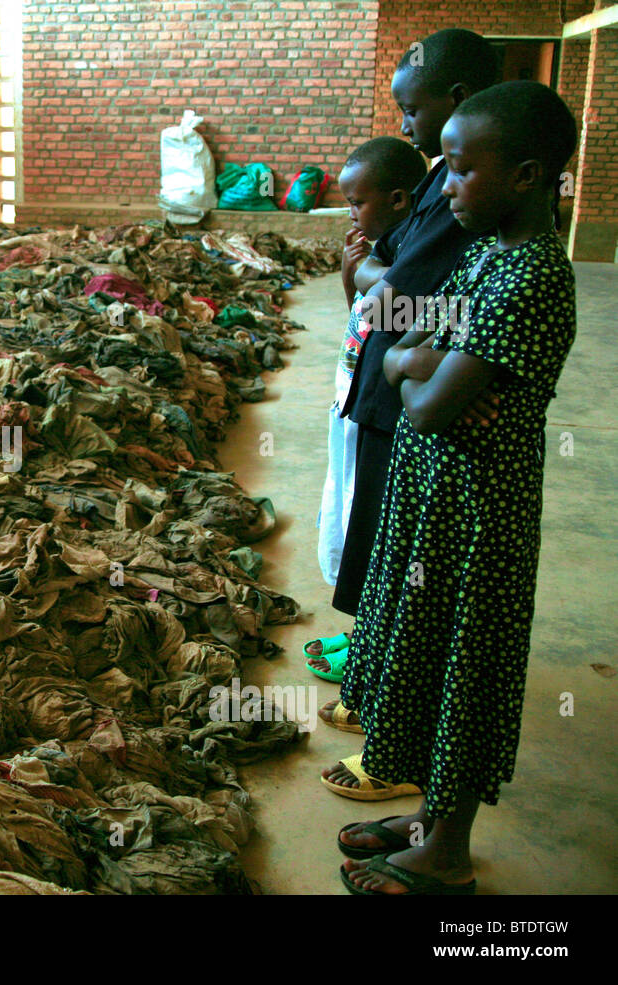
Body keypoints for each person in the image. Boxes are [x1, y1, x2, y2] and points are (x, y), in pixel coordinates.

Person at [335, 80, 578, 893]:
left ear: (529, 175)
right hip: (435, 502)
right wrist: (416, 355)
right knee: (423, 657)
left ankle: (448, 854)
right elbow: (421, 333)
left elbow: (433, 397)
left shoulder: (536, 275)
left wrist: (407, 362)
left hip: (478, 518)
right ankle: (426, 819)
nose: (449, 187)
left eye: (465, 171)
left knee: (465, 671)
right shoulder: (485, 251)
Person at [313, 28, 498, 775]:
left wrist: (367, 286)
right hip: (395, 397)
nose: (405, 125)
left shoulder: (463, 203)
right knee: (377, 549)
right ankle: (371, 681)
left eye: (410, 108)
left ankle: (392, 722)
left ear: (455, 101)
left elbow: (400, 304)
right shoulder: (438, 181)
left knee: (407, 572)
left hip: (417, 409)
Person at [313, 137, 428, 621]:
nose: (352, 214)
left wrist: (365, 272)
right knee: (343, 506)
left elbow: (391, 306)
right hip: (351, 399)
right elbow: (360, 315)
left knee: (366, 515)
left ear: (398, 200)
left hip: (379, 408)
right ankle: (360, 626)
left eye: (357, 203)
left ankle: (368, 629)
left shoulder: (417, 250)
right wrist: (350, 273)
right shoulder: (382, 245)